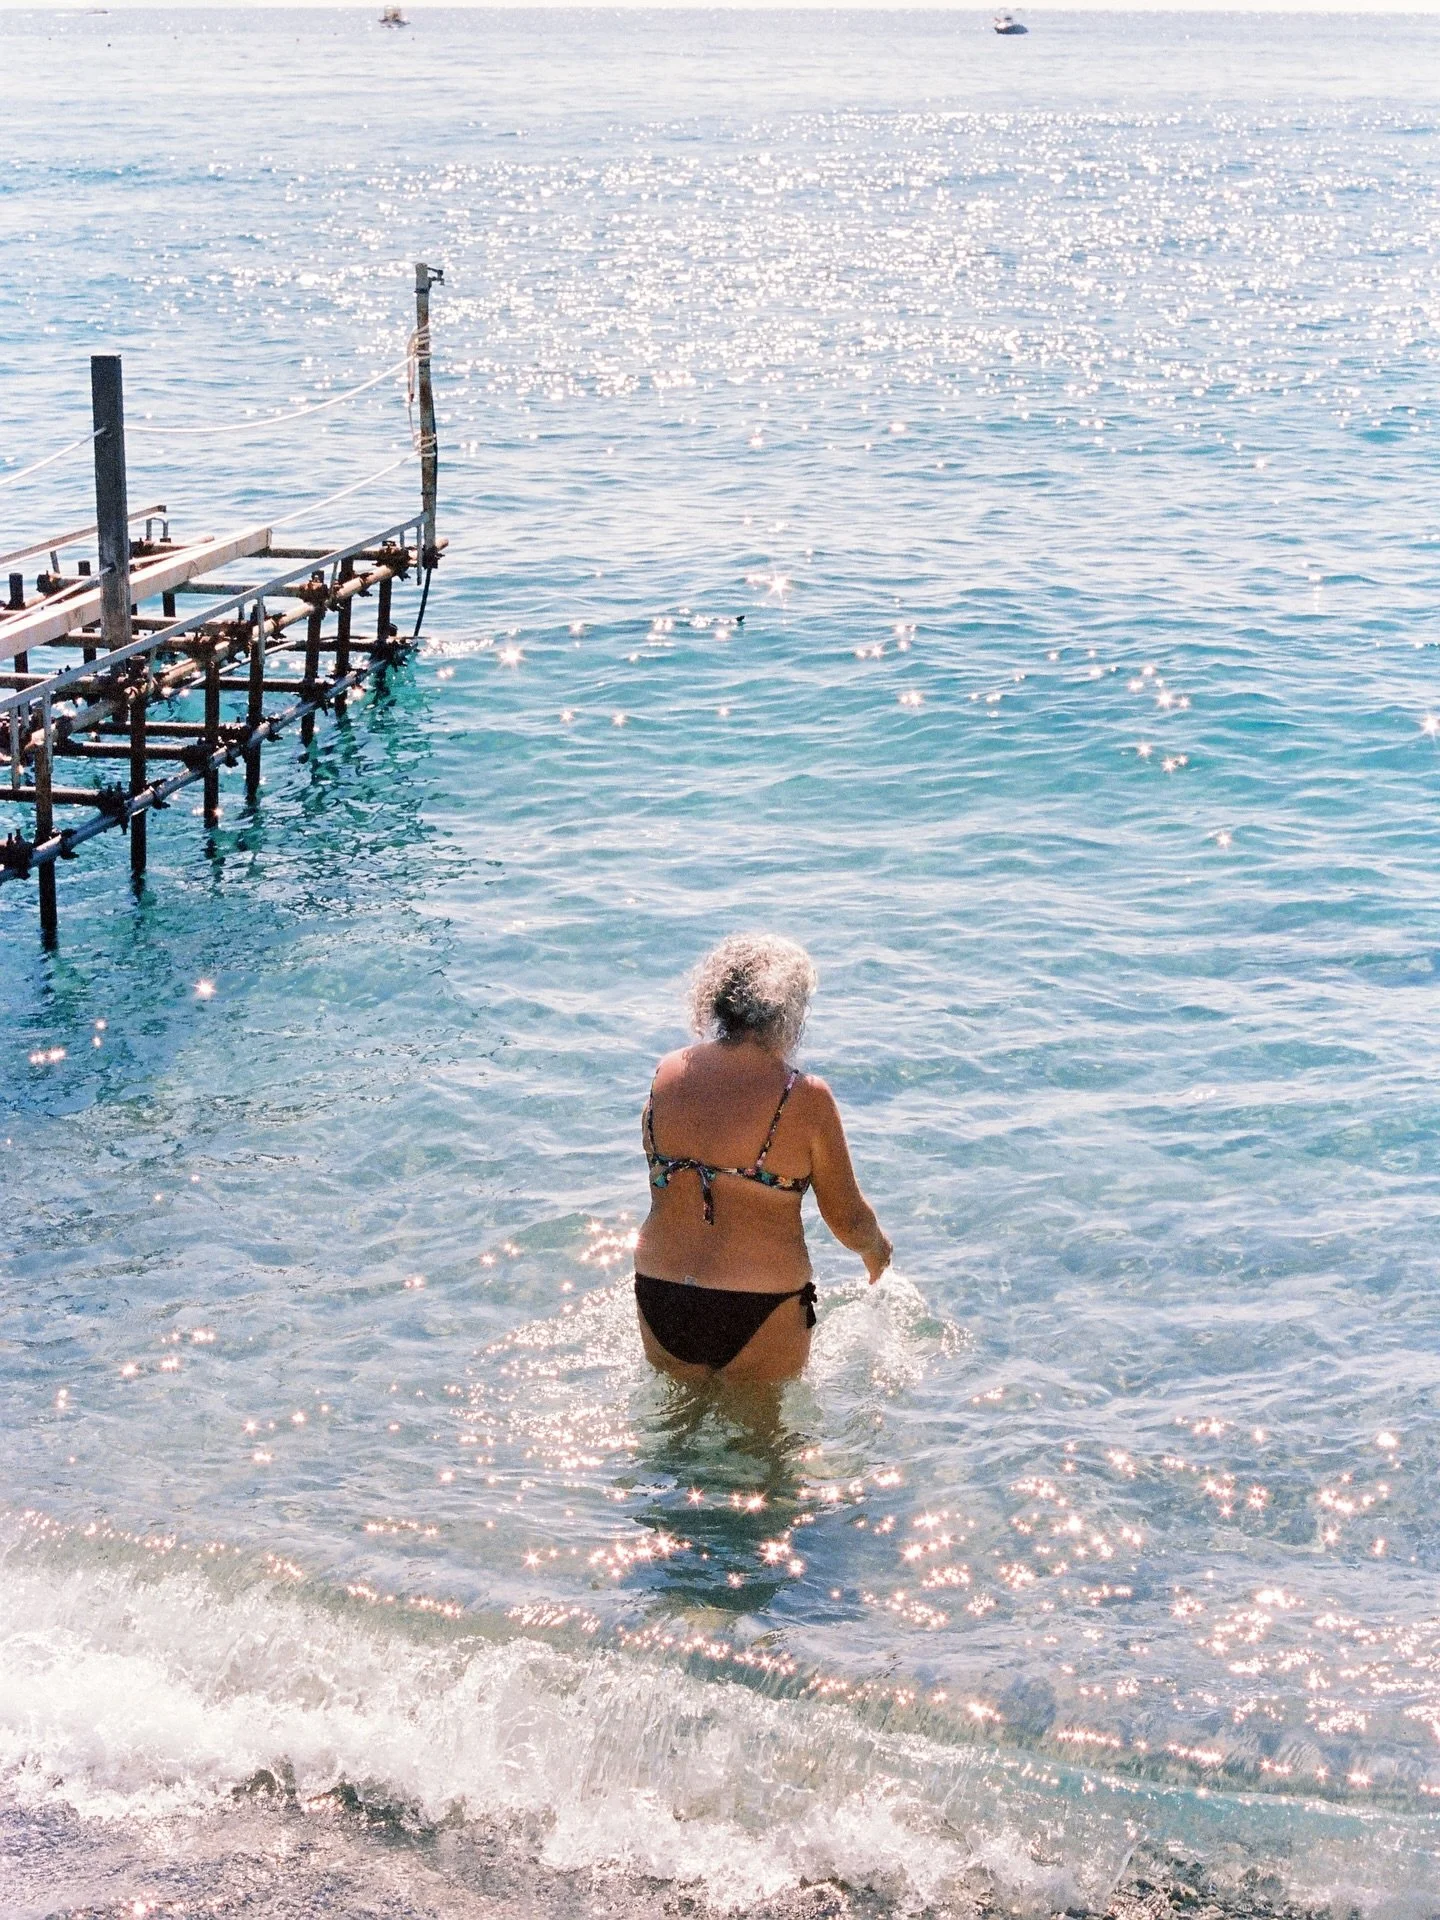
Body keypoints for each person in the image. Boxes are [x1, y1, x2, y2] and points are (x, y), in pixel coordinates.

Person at [634, 934, 893, 1385]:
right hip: (761, 1301)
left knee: (673, 1426)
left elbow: (661, 1181)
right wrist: (878, 1253)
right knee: (759, 1430)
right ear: (789, 1012)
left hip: (661, 1289)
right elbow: (847, 1219)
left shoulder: (668, 1073)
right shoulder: (804, 1096)